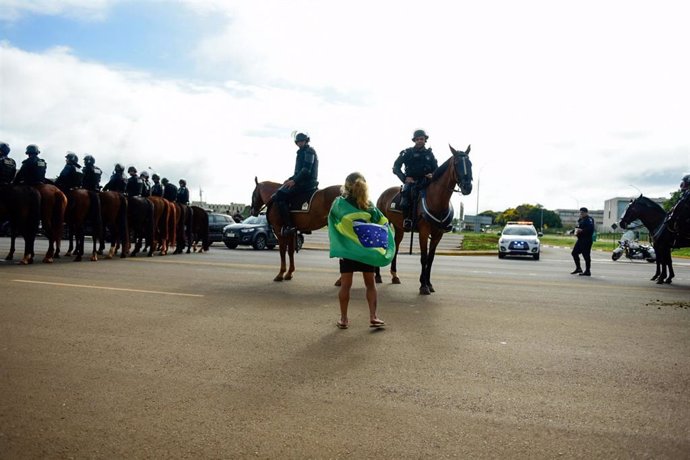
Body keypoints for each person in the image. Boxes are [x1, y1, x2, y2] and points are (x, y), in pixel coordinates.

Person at [328, 172, 395, 329]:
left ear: (346, 186)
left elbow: (333, 221)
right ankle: (373, 316)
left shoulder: (339, 203)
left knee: (345, 286)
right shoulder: (369, 205)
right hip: (367, 251)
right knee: (370, 285)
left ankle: (344, 319)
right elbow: (383, 223)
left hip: (348, 251)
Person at [272, 132, 319, 235]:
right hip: (302, 181)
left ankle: (290, 225)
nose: (300, 143)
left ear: (306, 141)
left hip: (308, 183)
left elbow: (306, 170)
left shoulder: (309, 151)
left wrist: (294, 181)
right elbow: (298, 172)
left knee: (280, 195)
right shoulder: (301, 152)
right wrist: (289, 179)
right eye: (298, 142)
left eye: (302, 141)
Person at [393, 129, 438, 230]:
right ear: (414, 140)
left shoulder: (429, 154)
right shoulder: (407, 152)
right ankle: (407, 220)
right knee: (405, 200)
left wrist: (432, 175)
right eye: (417, 139)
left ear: (425, 140)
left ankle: (438, 220)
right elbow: (396, 167)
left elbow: (436, 169)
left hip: (426, 182)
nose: (419, 141)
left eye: (421, 139)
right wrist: (404, 178)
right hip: (411, 182)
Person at [571, 207, 595, 276]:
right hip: (580, 240)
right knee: (574, 253)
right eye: (580, 212)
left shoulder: (589, 219)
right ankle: (578, 268)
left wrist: (582, 230)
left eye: (582, 213)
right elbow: (578, 227)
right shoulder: (580, 219)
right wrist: (573, 231)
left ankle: (587, 271)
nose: (581, 214)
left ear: (586, 213)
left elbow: (591, 229)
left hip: (587, 240)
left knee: (586, 255)